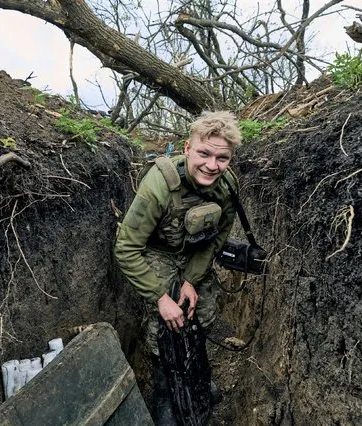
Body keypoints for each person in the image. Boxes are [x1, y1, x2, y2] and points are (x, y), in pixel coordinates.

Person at [114, 111, 242, 424]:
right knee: (165, 325)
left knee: (203, 310)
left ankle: (196, 376)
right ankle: (164, 391)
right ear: (188, 148)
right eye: (204, 154)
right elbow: (126, 248)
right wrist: (161, 297)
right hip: (156, 252)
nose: (212, 165)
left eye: (222, 158)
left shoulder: (227, 185)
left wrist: (190, 281)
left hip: (194, 253)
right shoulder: (159, 184)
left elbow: (216, 240)